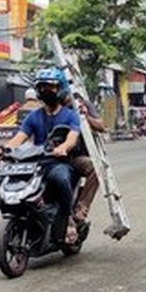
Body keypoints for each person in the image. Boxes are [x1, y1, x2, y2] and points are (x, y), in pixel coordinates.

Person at [2, 68, 83, 244]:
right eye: (42, 87)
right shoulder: (33, 117)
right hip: (35, 163)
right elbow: (18, 138)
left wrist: (63, 147)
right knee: (8, 178)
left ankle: (69, 220)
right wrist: (3, 149)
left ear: (60, 89)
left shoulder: (71, 116)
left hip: (58, 162)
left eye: (51, 87)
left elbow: (72, 138)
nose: (46, 90)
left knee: (61, 178)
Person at [65, 92, 108, 225]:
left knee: (96, 167)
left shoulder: (83, 105)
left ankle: (81, 209)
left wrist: (85, 116)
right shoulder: (49, 106)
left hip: (75, 157)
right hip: (52, 157)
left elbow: (101, 126)